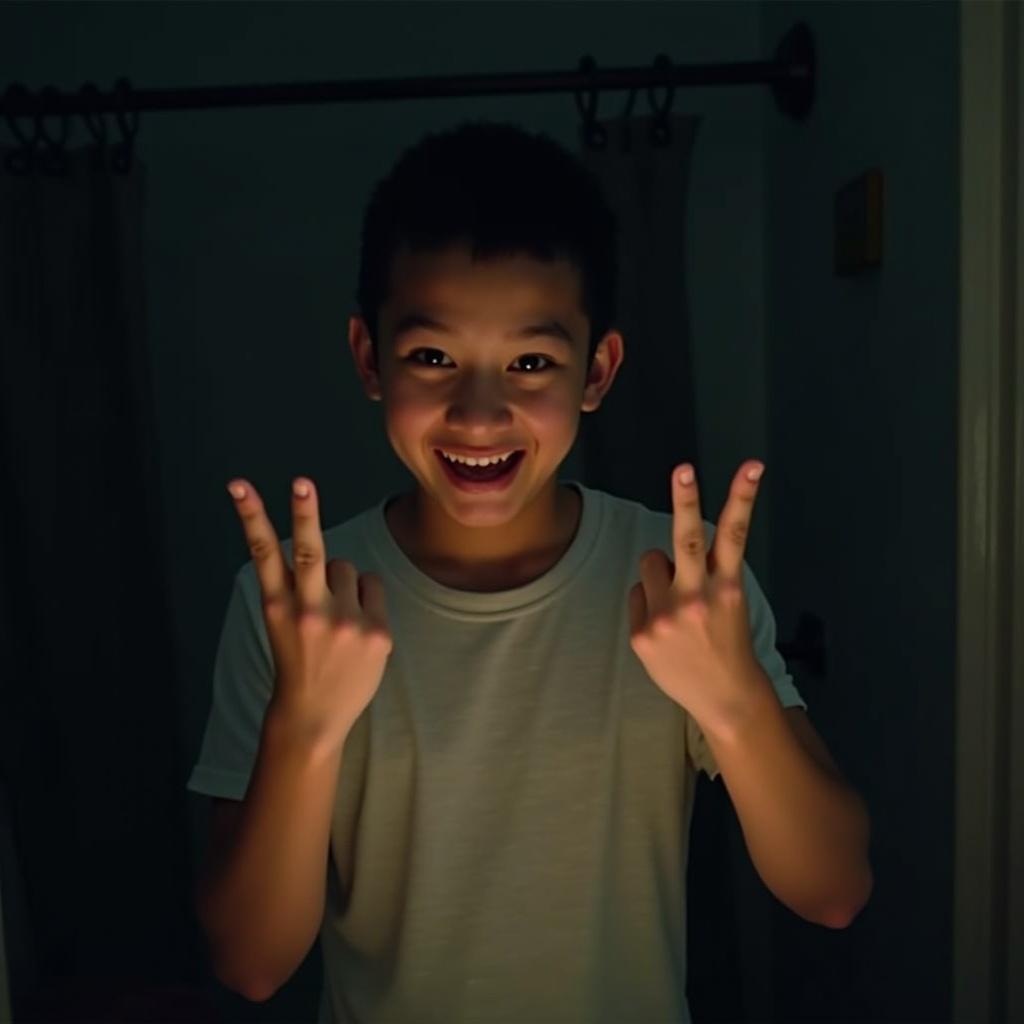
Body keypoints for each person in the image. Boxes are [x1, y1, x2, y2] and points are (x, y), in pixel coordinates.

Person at [186, 121, 872, 1024]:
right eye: (433, 357)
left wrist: (732, 696)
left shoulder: (682, 583)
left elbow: (833, 890)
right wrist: (306, 728)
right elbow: (251, 964)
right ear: (368, 358)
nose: (480, 412)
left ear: (598, 371)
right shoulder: (294, 608)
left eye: (532, 362)